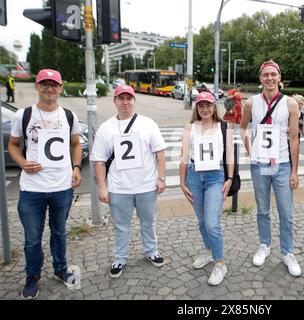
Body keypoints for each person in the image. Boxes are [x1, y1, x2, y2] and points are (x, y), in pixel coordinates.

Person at [8, 69, 82, 299]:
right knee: (32, 238)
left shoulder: (69, 115)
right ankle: (32, 278)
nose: (50, 88)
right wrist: (22, 162)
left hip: (61, 187)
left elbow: (76, 144)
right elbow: (13, 144)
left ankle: (60, 269)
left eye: (54, 84)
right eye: (45, 84)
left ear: (60, 88)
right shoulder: (23, 114)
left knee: (59, 232)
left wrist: (77, 168)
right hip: (32, 189)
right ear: (37, 86)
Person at [91, 84, 167, 279]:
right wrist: (102, 187)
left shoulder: (148, 123)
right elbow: (99, 161)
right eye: (121, 98)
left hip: (146, 185)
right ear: (115, 101)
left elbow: (159, 153)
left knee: (148, 222)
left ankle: (151, 250)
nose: (125, 102)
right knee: (121, 226)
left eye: (129, 98)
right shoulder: (106, 128)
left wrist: (161, 177)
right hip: (118, 187)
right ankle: (120, 258)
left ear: (134, 100)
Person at [240, 60, 301, 277]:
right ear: (260, 78)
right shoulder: (251, 103)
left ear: (279, 77)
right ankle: (264, 245)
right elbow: (243, 127)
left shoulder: (291, 104)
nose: (269, 78)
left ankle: (287, 252)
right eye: (265, 75)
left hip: (282, 164)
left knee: (286, 211)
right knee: (263, 209)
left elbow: (294, 139)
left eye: (273, 74)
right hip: (260, 164)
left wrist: (294, 171)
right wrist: (249, 149)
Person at [179, 91, 234, 286]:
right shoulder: (189, 127)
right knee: (202, 221)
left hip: (215, 177)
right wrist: (182, 182)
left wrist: (229, 178)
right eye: (201, 105)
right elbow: (184, 156)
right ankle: (209, 252)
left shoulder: (224, 127)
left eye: (208, 105)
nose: (205, 109)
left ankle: (220, 263)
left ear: (214, 107)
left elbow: (230, 156)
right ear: (196, 108)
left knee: (212, 223)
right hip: (194, 175)